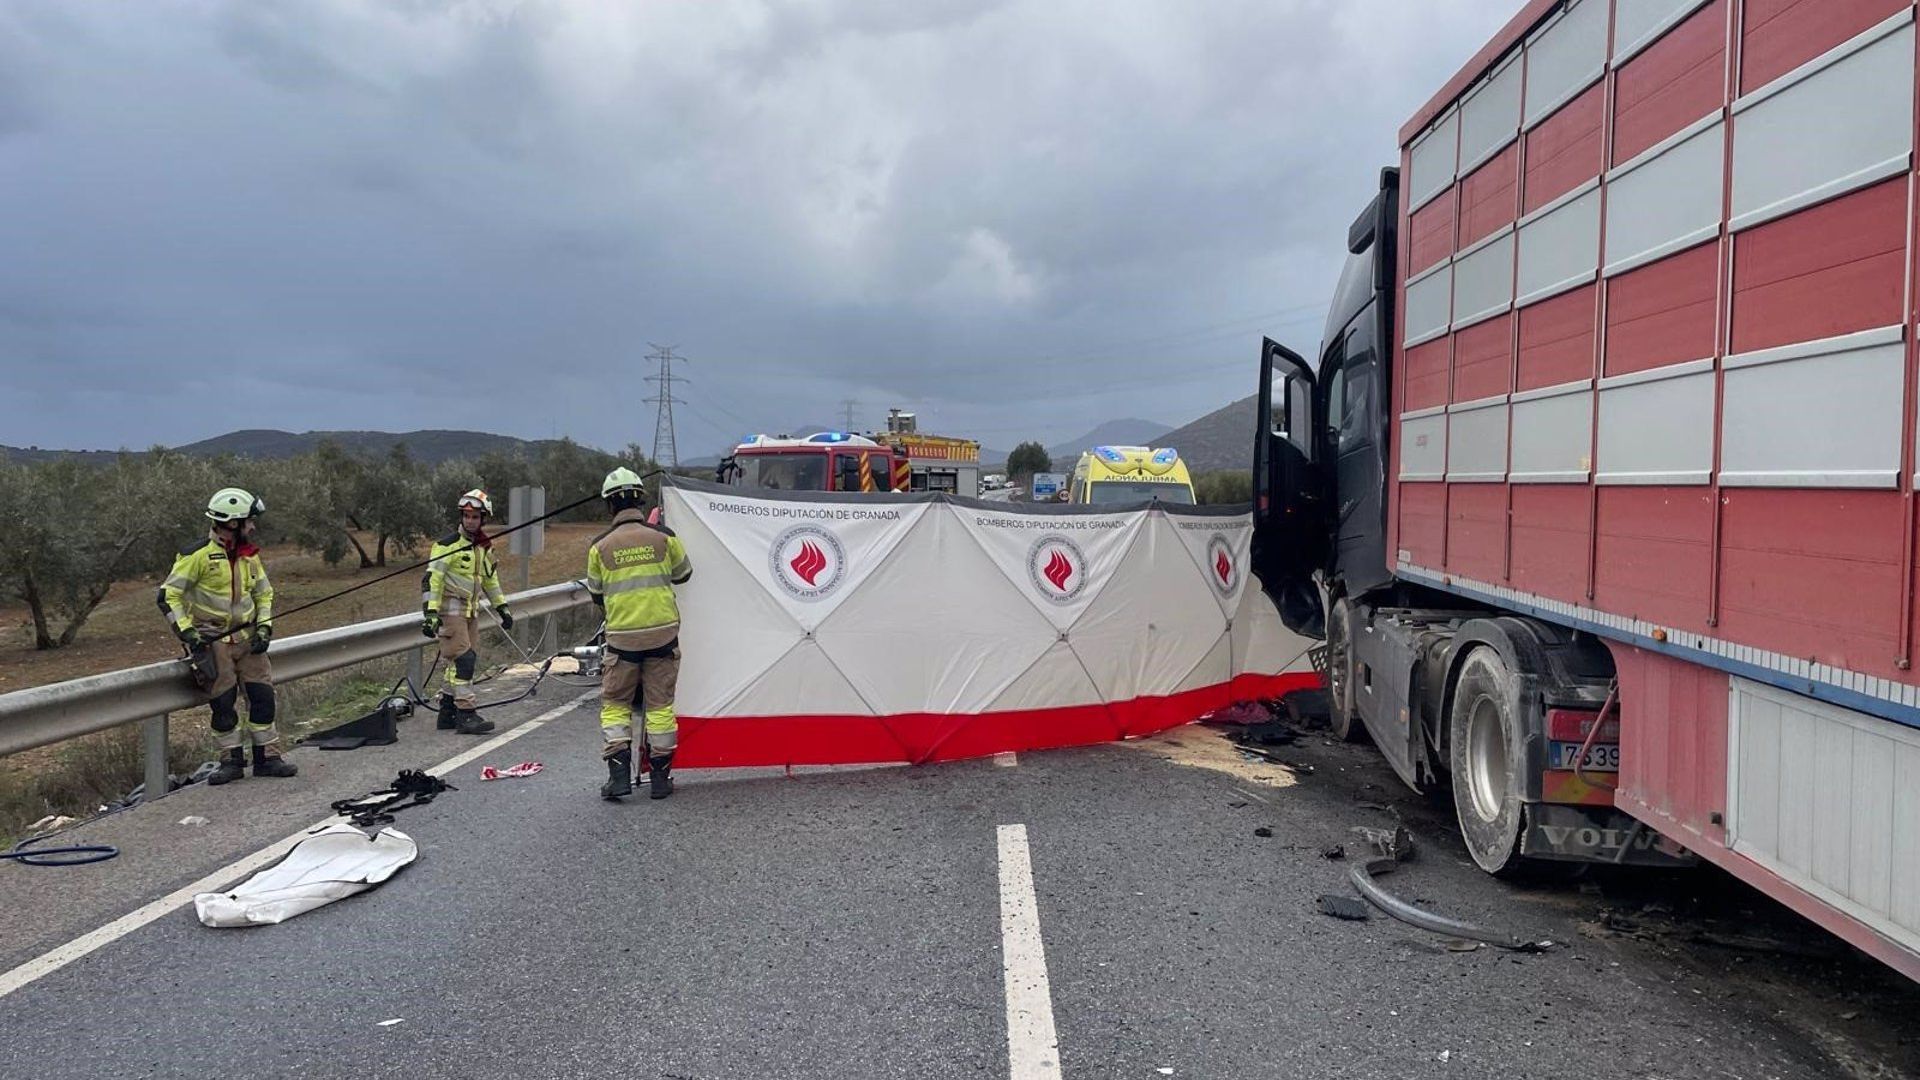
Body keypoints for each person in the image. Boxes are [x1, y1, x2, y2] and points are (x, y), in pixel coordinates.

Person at [158, 487, 296, 785]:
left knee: (262, 698)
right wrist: (189, 634)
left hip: (249, 641)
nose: (253, 526)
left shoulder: (250, 556)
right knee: (223, 704)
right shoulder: (196, 555)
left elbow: (264, 593)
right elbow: (168, 596)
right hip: (212, 642)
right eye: (249, 521)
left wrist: (264, 627)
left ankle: (268, 758)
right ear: (233, 523)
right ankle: (230, 761)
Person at [587, 467, 692, 800]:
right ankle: (660, 780)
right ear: (641, 499)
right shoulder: (665, 537)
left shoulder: (598, 547)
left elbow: (596, 593)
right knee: (660, 707)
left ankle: (618, 778)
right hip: (662, 636)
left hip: (622, 640)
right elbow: (684, 574)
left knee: (616, 705)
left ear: (610, 507)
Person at [419, 489, 513, 735]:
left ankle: (447, 713)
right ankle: (466, 714)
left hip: (471, 612)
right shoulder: (445, 546)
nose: (470, 520)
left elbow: (490, 581)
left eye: (475, 516)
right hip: (450, 612)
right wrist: (429, 614)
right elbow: (433, 580)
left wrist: (502, 607)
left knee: (456, 664)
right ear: (461, 516)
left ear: (484, 519)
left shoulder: (483, 549)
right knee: (464, 660)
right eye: (467, 516)